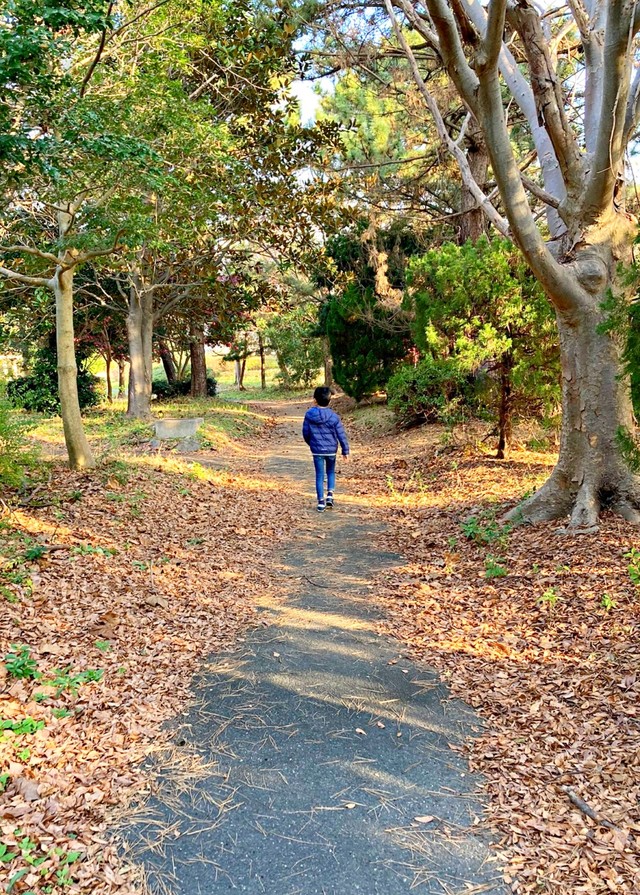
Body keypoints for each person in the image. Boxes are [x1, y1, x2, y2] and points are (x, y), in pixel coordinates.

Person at [302, 386, 350, 513]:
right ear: (329, 400)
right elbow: (341, 434)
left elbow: (305, 433)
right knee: (330, 472)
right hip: (331, 450)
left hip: (317, 450)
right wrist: (345, 450)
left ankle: (321, 502)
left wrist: (312, 443)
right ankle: (330, 495)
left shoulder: (309, 414)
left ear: (314, 400)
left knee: (319, 475)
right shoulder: (334, 417)